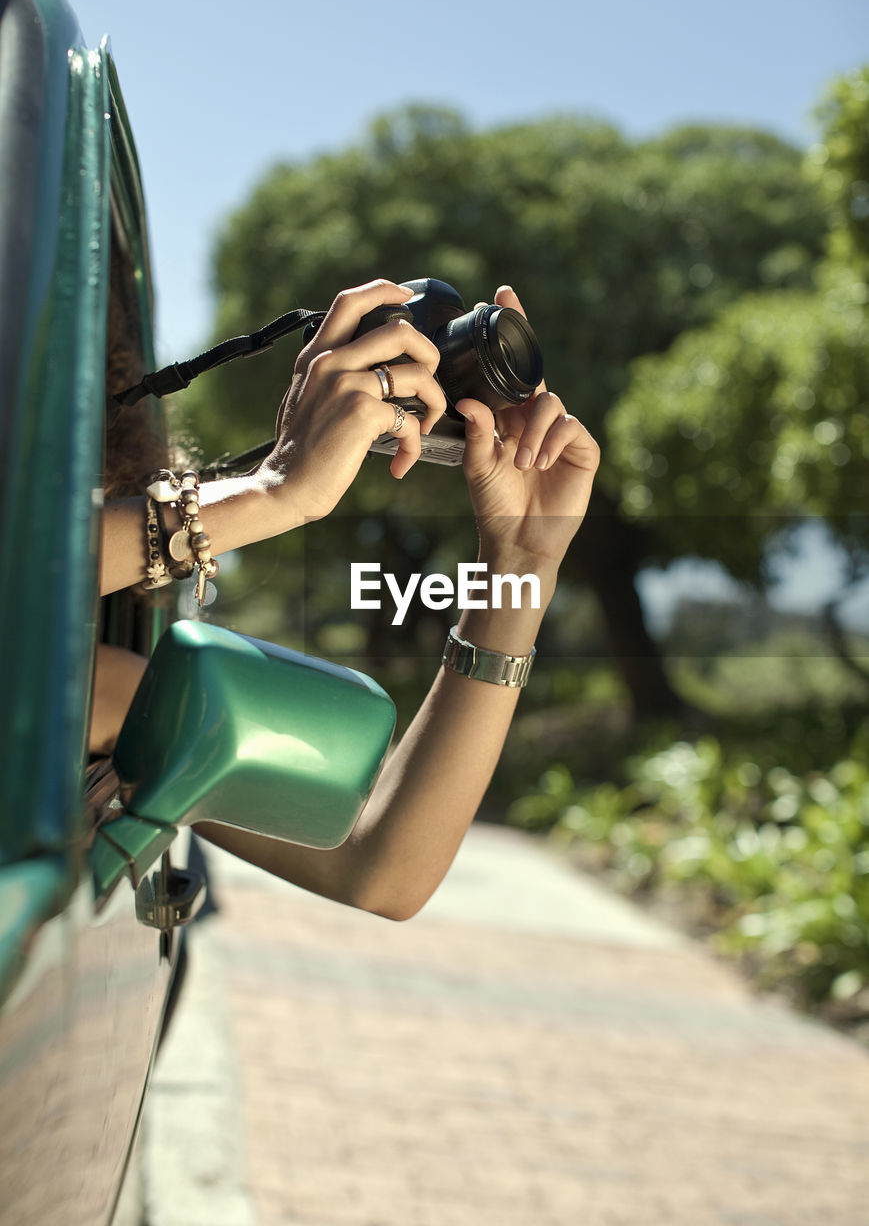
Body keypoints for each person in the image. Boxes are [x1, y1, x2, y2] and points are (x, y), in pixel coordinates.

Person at [94, 278, 599, 920]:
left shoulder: (100, 693)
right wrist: (272, 492)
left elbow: (381, 870)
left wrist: (522, 561)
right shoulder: (94, 694)